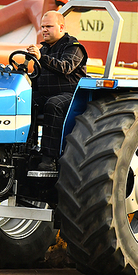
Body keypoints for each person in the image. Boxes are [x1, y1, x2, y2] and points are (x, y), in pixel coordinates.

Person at [26, 10, 88, 171]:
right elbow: (37, 76)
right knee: (23, 101)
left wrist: (41, 58)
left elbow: (65, 68)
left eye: (48, 26)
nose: (44, 30)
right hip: (46, 94)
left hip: (71, 96)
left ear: (61, 27)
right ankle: (26, 149)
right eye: (42, 27)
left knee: (54, 104)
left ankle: (49, 159)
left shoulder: (74, 47)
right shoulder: (44, 48)